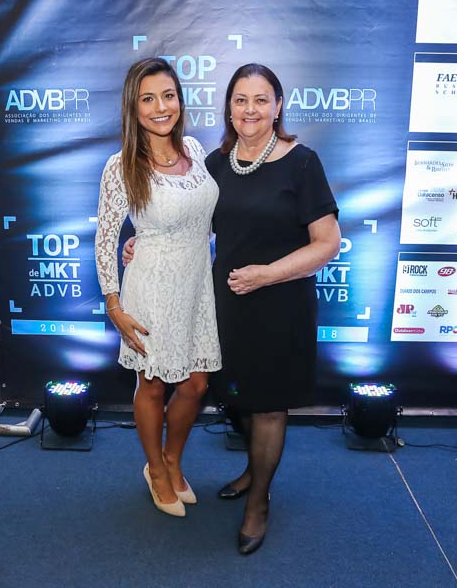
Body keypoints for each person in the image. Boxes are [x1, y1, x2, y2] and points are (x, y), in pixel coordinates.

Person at [128, 63, 341, 551]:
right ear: (228, 108)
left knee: (268, 406)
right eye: (241, 100)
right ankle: (252, 469)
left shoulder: (301, 162)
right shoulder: (217, 163)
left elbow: (327, 243)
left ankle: (258, 502)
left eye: (261, 100)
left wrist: (267, 274)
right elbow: (189, 223)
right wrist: (146, 242)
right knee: (238, 397)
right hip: (225, 304)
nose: (250, 110)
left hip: (280, 304)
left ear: (278, 106)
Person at [94, 58, 222, 518]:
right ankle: (155, 468)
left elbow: (203, 217)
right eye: (147, 99)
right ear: (133, 107)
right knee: (151, 385)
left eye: (168, 95)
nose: (160, 107)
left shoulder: (196, 150)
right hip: (150, 288)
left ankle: (172, 459)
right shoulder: (121, 166)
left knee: (196, 383)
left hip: (197, 287)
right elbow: (105, 237)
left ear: (180, 100)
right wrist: (114, 305)